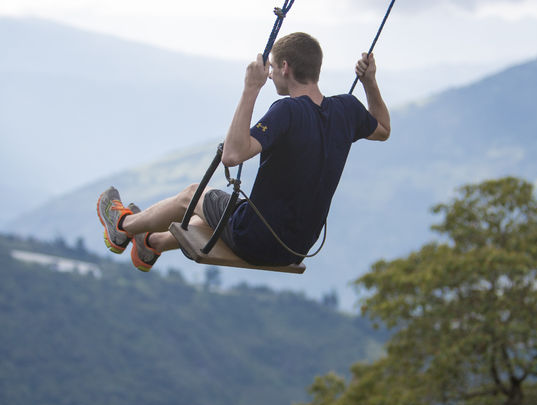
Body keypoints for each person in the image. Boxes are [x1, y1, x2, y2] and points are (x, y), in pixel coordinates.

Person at [97, 32, 390, 271]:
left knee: (191, 195)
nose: (271, 74)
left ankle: (123, 226)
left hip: (256, 240)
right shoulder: (347, 111)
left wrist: (251, 89)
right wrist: (370, 82)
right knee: (220, 214)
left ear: (285, 67)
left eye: (273, 68)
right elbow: (383, 129)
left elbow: (232, 155)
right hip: (297, 248)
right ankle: (152, 244)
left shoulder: (287, 111)